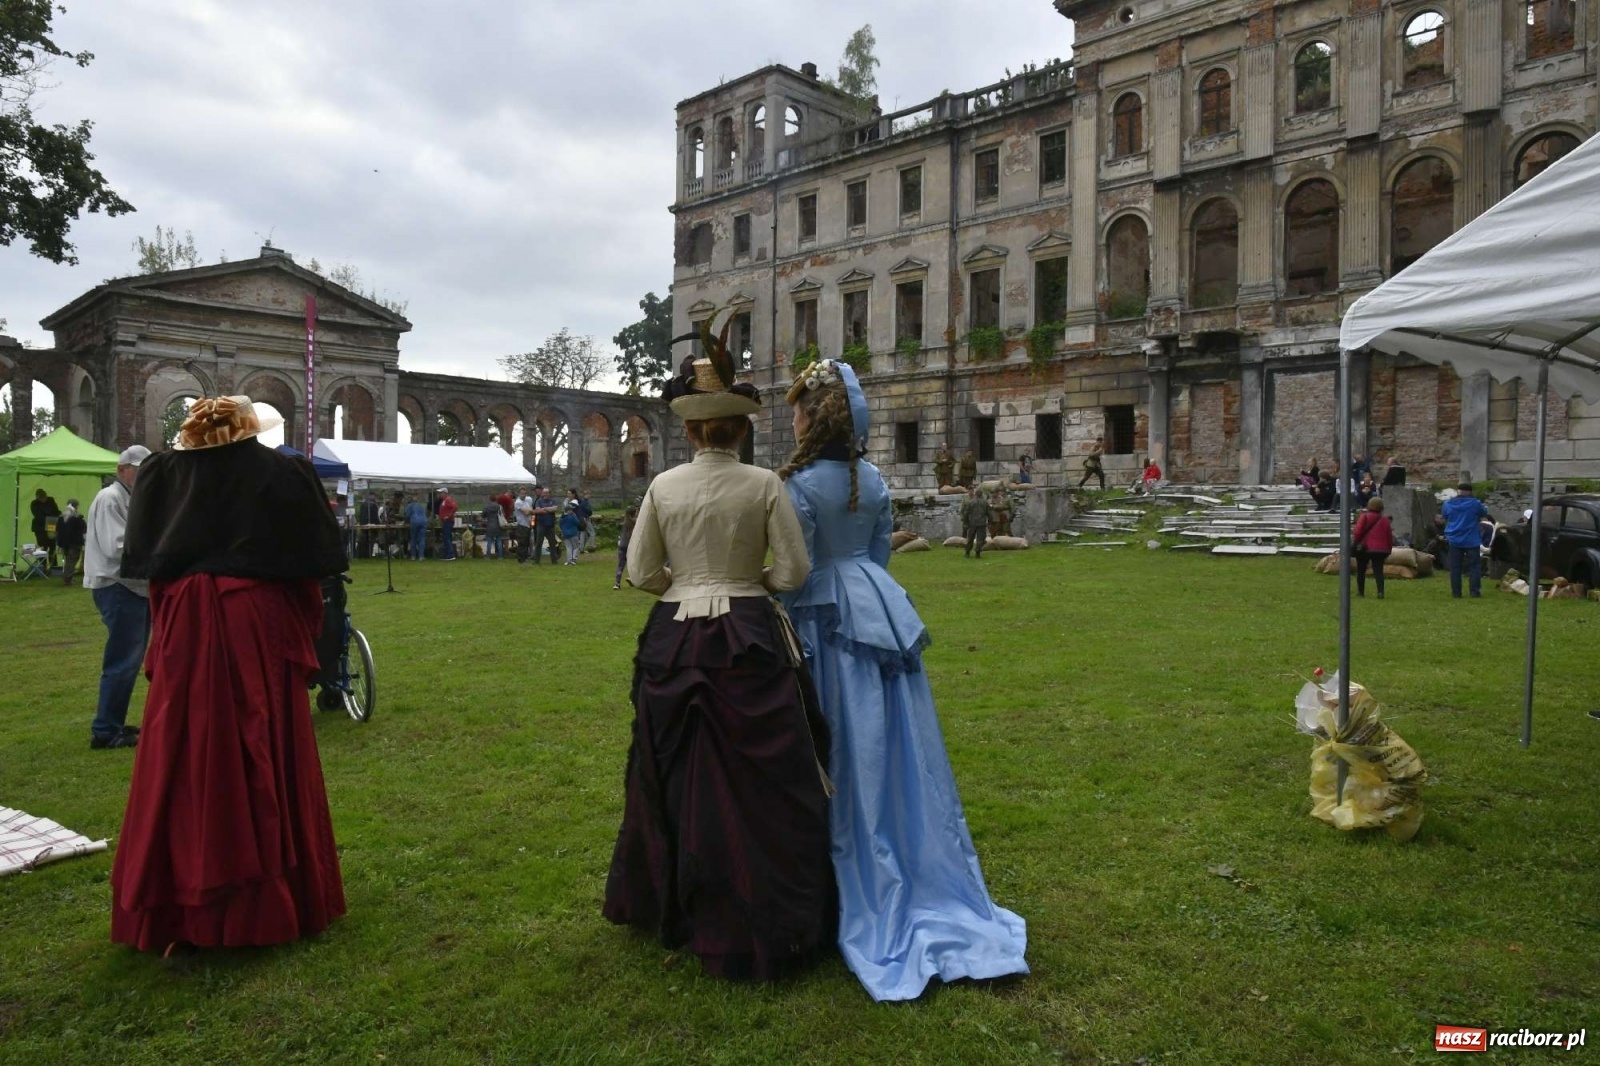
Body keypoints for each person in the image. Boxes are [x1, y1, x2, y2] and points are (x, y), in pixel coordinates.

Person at [778, 357, 1028, 1001]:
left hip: (824, 616)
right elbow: (881, 549)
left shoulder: (798, 484)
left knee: (839, 738)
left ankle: (844, 875)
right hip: (880, 604)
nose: (794, 417)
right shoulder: (871, 477)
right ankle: (909, 849)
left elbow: (796, 569)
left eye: (798, 409)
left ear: (812, 417)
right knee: (898, 741)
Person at [603, 347, 834, 982]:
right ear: (740, 427)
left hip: (675, 640)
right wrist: (742, 580)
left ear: (692, 429)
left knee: (670, 770)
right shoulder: (764, 485)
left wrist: (690, 583)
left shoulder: (662, 485)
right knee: (765, 776)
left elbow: (643, 572)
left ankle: (674, 901)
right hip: (749, 634)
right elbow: (792, 572)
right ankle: (766, 905)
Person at [112, 394, 346, 952]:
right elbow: (312, 570)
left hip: (185, 626)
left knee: (181, 745)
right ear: (247, 431)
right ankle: (260, 896)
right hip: (254, 623)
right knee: (260, 739)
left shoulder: (159, 474)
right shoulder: (284, 471)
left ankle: (181, 900)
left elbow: (154, 573)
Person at [84, 446, 151, 750]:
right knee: (123, 660)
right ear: (122, 469)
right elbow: (118, 547)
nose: (141, 475)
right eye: (138, 469)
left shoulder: (126, 497)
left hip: (128, 587)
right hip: (118, 586)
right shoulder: (111, 498)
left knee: (127, 659)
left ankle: (112, 723)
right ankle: (106, 729)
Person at [1442, 482, 1492, 598]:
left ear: (1458, 491)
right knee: (1474, 566)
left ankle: (1456, 593)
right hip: (1471, 539)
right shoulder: (1475, 504)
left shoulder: (1448, 504)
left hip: (1454, 538)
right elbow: (1484, 513)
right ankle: (1474, 592)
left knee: (1455, 567)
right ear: (1470, 492)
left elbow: (1445, 516)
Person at [1351, 496, 1394, 599]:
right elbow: (1389, 535)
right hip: (1380, 550)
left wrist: (1355, 542)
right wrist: (1389, 549)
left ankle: (1361, 592)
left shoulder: (1364, 517)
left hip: (1364, 548)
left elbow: (1357, 532)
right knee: (1378, 571)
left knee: (1361, 570)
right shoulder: (1385, 520)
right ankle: (1380, 592)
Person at [56, 498, 87, 586]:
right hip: (74, 542)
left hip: (64, 543)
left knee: (68, 560)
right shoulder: (77, 517)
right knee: (71, 560)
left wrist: (59, 543)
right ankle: (67, 579)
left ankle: (67, 577)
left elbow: (58, 530)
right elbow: (83, 528)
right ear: (76, 506)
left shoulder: (62, 517)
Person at [30, 488, 61, 571]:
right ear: (37, 497)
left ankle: (54, 567)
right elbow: (38, 516)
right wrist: (51, 518)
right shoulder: (34, 504)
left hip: (51, 525)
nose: (43, 499)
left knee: (52, 546)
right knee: (42, 548)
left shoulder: (51, 500)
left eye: (44, 497)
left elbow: (56, 511)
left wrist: (59, 517)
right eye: (41, 498)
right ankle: (42, 568)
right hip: (40, 528)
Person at [960, 483, 991, 558]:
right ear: (981, 494)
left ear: (976, 494)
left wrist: (965, 522)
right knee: (980, 539)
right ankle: (977, 552)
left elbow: (966, 513)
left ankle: (967, 552)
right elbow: (989, 513)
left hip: (972, 523)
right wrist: (990, 522)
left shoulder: (971, 502)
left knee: (970, 538)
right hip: (982, 523)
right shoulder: (985, 502)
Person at [532, 485, 560, 564]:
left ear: (550, 494)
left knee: (552, 543)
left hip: (550, 525)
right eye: (544, 493)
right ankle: (536, 560)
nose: (545, 494)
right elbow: (537, 511)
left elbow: (555, 509)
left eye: (546, 493)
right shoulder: (539, 501)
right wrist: (549, 509)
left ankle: (554, 560)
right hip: (541, 524)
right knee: (538, 543)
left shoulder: (553, 500)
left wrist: (544, 509)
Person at [613, 502, 638, 590]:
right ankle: (631, 578)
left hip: (622, 545)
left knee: (620, 565)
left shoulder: (624, 522)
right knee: (633, 564)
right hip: (630, 546)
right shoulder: (635, 523)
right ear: (634, 513)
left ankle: (617, 583)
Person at [513, 487, 533, 564]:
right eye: (522, 493)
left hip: (528, 524)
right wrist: (531, 510)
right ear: (519, 494)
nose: (524, 495)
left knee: (527, 542)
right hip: (522, 524)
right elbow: (526, 513)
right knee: (522, 543)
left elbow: (530, 509)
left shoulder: (527, 501)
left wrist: (530, 510)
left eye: (525, 493)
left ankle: (525, 558)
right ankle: (521, 559)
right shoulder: (518, 502)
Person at [559, 499, 582, 565]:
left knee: (568, 547)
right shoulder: (572, 516)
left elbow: (560, 524)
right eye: (571, 510)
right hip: (573, 533)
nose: (572, 511)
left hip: (565, 534)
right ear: (568, 510)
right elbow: (577, 523)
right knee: (576, 547)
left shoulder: (562, 517)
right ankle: (573, 559)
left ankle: (568, 560)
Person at [436, 488, 457, 561]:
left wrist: (448, 516)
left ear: (445, 493)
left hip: (448, 521)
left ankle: (450, 554)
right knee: (446, 537)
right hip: (446, 521)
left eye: (440, 493)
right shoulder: (444, 500)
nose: (439, 494)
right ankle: (447, 554)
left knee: (447, 537)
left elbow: (454, 507)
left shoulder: (448, 500)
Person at [404, 495, 427, 560]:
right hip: (423, 522)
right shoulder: (422, 505)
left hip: (414, 522)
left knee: (413, 539)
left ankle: (413, 556)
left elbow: (407, 515)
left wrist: (405, 521)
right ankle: (421, 556)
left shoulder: (410, 506)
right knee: (422, 539)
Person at [482, 494, 504, 560]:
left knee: (489, 541)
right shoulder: (499, 506)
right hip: (498, 525)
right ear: (496, 499)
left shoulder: (487, 507)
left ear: (490, 499)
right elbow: (502, 515)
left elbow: (483, 515)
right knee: (499, 541)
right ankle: (500, 556)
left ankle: (488, 556)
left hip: (490, 525)